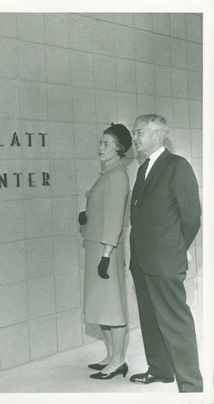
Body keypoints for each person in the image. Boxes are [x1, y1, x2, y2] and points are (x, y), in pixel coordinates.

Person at [128, 114, 202, 392]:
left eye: (139, 132)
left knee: (175, 321)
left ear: (158, 135)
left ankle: (192, 385)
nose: (135, 138)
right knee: (149, 316)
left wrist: (176, 248)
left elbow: (191, 216)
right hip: (142, 259)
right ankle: (160, 369)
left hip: (165, 259)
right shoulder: (142, 168)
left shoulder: (177, 166)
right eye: (134, 133)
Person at [79, 123, 133, 380]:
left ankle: (119, 361)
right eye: (100, 143)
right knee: (101, 306)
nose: (100, 148)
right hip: (97, 249)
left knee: (113, 308)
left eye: (106, 144)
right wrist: (87, 216)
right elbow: (101, 209)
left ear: (119, 149)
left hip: (105, 252)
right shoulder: (107, 174)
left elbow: (114, 220)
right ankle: (110, 356)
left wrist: (106, 256)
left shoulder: (117, 176)